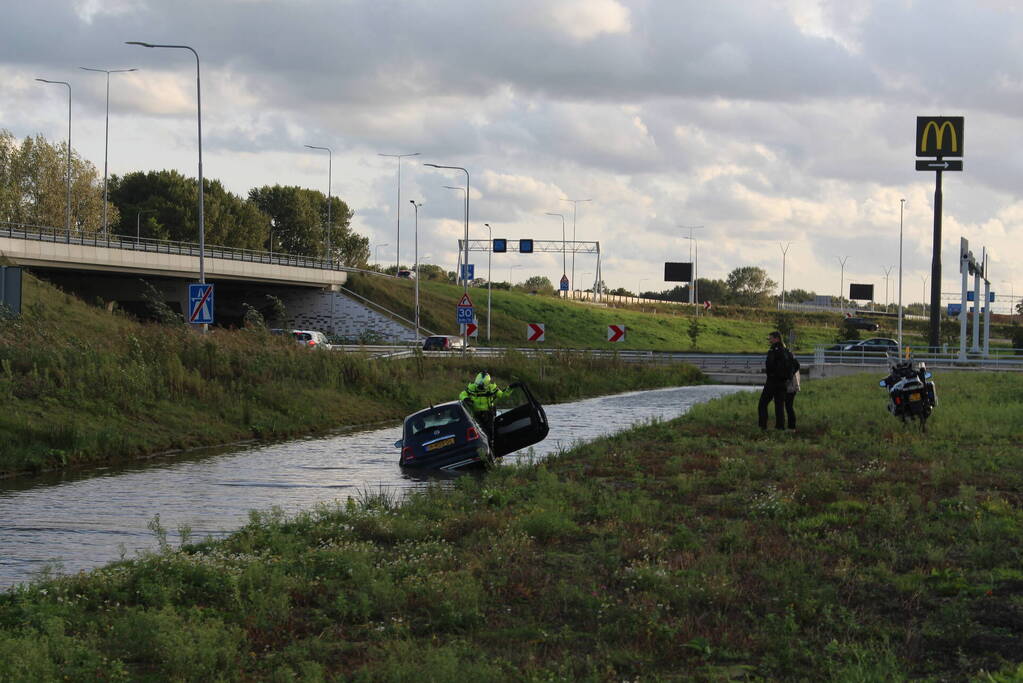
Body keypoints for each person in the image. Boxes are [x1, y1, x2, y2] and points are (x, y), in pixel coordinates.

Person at [459, 371, 511, 442]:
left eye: (481, 386)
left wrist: (509, 389)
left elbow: (502, 395)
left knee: (490, 432)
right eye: (478, 385)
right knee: (478, 433)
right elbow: (462, 394)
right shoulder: (471, 387)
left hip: (488, 413)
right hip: (475, 414)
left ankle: (492, 444)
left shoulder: (492, 387)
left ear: (487, 384)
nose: (479, 387)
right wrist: (465, 398)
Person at [758, 331, 789, 430]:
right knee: (779, 405)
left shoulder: (773, 351)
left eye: (770, 338)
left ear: (776, 338)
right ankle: (780, 427)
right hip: (783, 383)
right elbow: (795, 365)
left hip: (772, 382)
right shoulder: (786, 351)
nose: (769, 341)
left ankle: (762, 426)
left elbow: (770, 365)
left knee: (762, 404)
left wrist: (771, 373)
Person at [784, 355, 800, 430]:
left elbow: (788, 378)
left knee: (789, 406)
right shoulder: (794, 364)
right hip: (793, 387)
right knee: (789, 406)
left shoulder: (790, 365)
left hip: (790, 388)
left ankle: (791, 426)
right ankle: (791, 426)